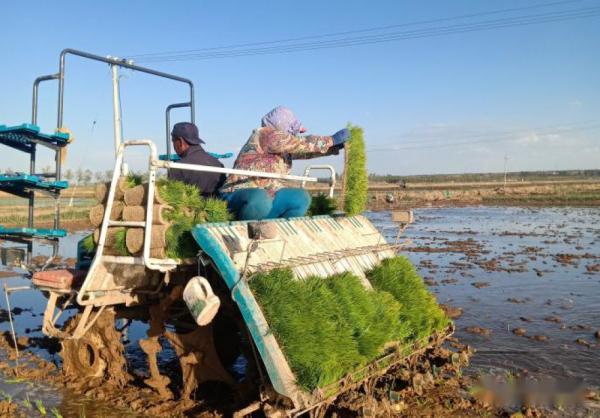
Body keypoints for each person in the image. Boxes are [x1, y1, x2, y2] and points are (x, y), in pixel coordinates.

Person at [220, 106, 350, 220]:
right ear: (281, 123)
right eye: (291, 127)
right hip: (239, 195)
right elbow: (300, 143)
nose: (293, 132)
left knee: (300, 198)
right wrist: (331, 140)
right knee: (260, 199)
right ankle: (245, 234)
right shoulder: (265, 134)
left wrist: (333, 148)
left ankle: (279, 232)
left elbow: (303, 151)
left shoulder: (281, 146)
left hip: (267, 197)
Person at [168, 122, 225, 197]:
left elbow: (172, 198)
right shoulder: (219, 165)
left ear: (180, 141)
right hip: (217, 208)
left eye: (173, 141)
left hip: (188, 208)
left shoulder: (178, 168)